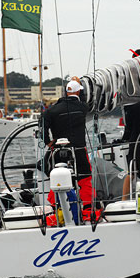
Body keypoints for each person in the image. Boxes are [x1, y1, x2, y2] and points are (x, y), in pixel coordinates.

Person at [42, 80, 95, 213]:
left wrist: (48, 142)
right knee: (85, 177)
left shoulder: (52, 110)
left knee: (57, 178)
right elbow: (85, 103)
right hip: (79, 149)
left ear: (66, 92)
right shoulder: (82, 107)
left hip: (58, 151)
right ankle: (88, 208)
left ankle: (54, 208)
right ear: (78, 91)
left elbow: (42, 126)